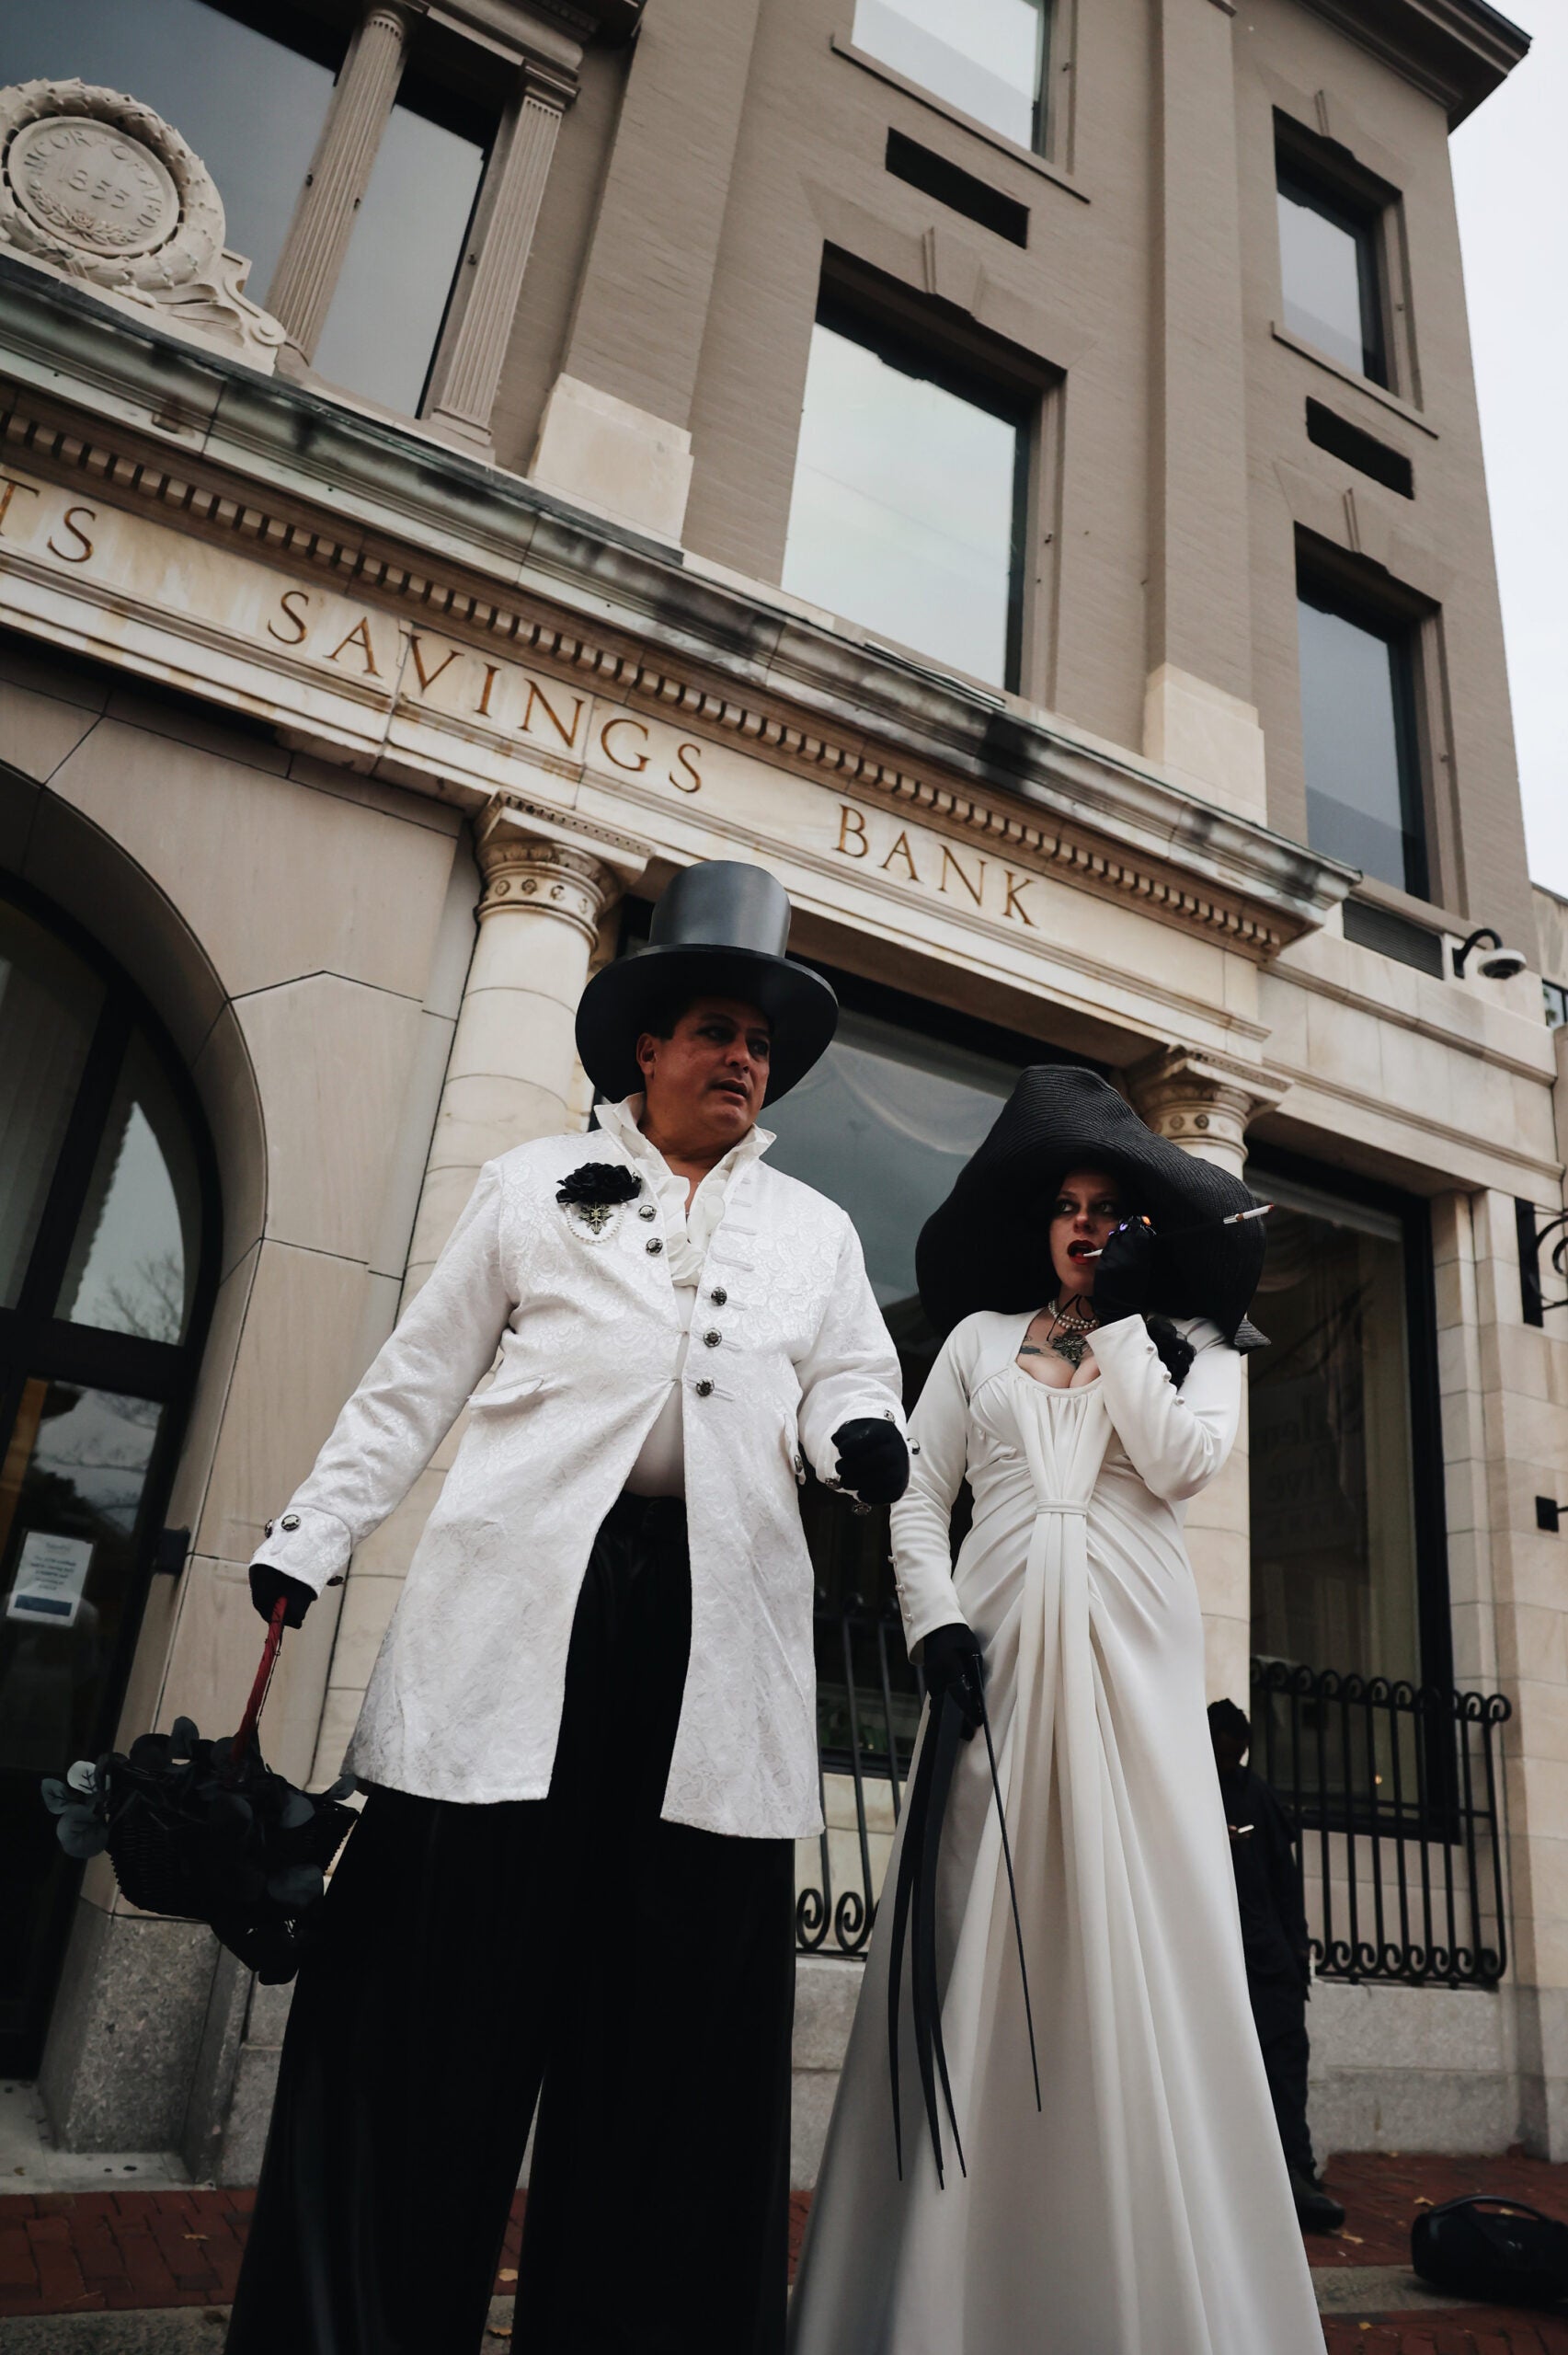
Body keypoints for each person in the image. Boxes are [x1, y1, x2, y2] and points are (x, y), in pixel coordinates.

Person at [224, 859, 909, 2355]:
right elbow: (418, 1380)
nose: (744, 1059)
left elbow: (851, 1372)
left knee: (669, 2061)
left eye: (762, 1044)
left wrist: (856, 1432)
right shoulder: (528, 1185)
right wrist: (313, 1532)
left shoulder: (817, 1234)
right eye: (718, 1028)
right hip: (508, 1648)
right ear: (647, 1047)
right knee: (437, 2035)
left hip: (713, 1659)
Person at [788, 1064, 1323, 2355]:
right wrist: (933, 1626)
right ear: (1041, 1224)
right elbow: (914, 1493)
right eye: (1067, 1206)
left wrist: (1135, 1324)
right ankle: (940, 2283)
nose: (1086, 1224)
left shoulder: (1200, 1349)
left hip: (1134, 1666)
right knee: (980, 1923)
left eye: (1110, 1207)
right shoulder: (977, 1343)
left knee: (1136, 1930)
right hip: (998, 1663)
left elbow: (1183, 1466)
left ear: (1142, 1227)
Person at [1209, 1696, 1345, 2234]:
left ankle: (1297, 2172)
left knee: (1285, 2064)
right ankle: (1245, 2177)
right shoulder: (1191, 1786)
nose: (1232, 1760)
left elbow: (1285, 1885)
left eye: (1237, 1752)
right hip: (1220, 1960)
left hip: (1268, 1962)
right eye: (1224, 1751)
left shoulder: (1255, 1793)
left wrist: (1296, 1955)